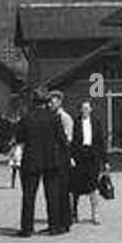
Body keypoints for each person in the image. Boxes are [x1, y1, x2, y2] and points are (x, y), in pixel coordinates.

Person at [16, 88, 71, 236]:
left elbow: (19, 138)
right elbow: (62, 140)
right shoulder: (54, 117)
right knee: (52, 195)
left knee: (28, 196)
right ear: (46, 102)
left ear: (34, 102)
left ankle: (27, 228)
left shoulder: (26, 118)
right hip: (51, 160)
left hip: (31, 160)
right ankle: (54, 226)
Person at [71, 100, 107, 225]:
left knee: (93, 186)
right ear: (80, 110)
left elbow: (101, 142)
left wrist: (105, 160)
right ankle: (73, 213)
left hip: (93, 157)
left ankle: (95, 214)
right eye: (83, 108)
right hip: (79, 157)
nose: (85, 110)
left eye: (87, 108)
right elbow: (72, 142)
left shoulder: (96, 123)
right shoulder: (75, 123)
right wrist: (71, 157)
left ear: (91, 109)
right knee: (75, 187)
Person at [48, 91, 74, 231]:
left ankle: (65, 221)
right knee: (54, 192)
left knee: (62, 191)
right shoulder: (52, 117)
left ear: (59, 102)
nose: (50, 104)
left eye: (52, 102)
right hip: (53, 158)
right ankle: (55, 221)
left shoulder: (65, 118)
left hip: (62, 158)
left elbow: (68, 139)